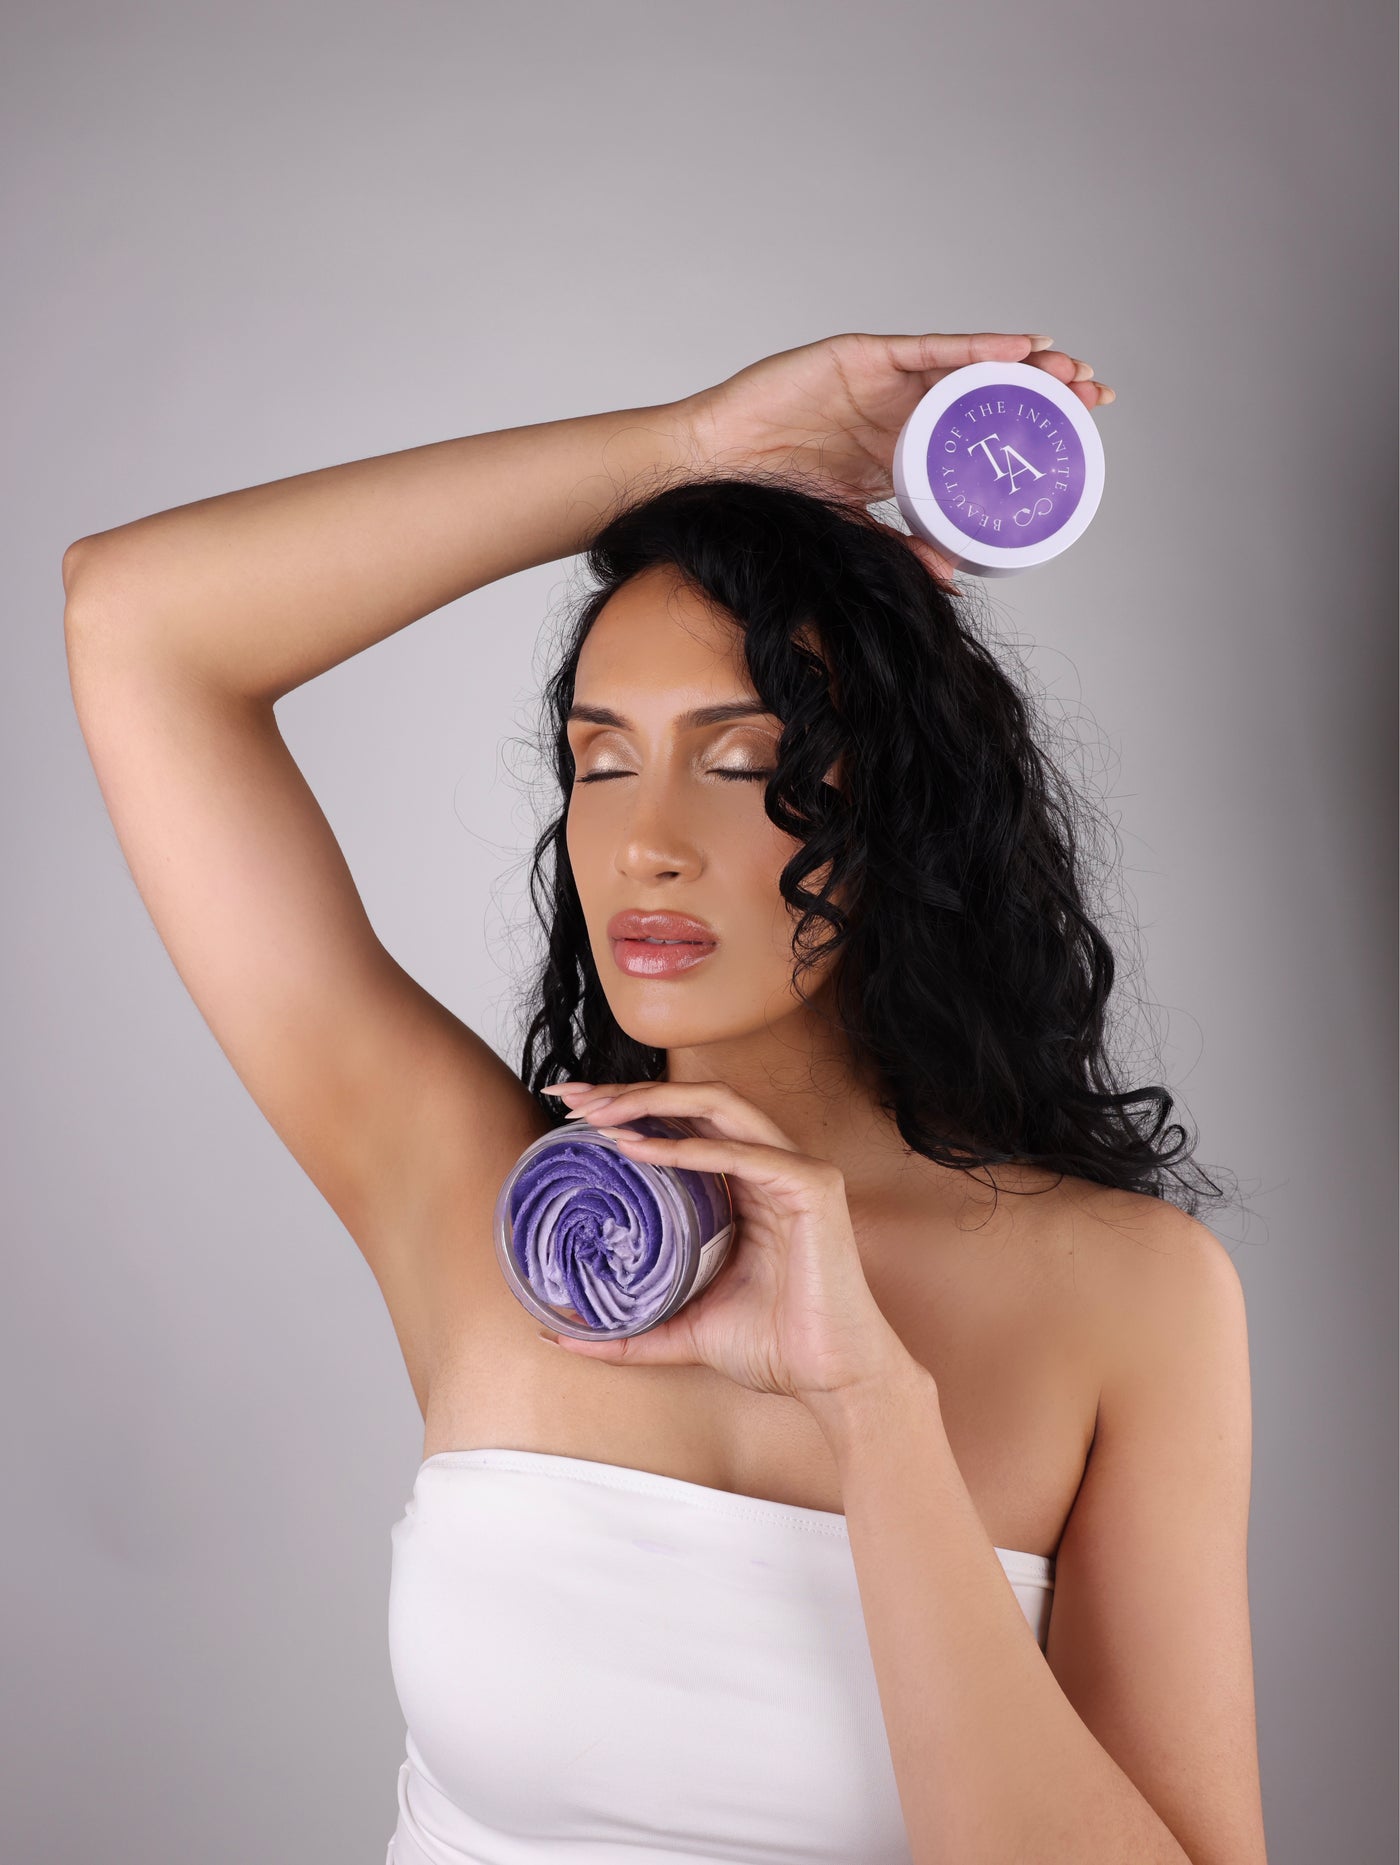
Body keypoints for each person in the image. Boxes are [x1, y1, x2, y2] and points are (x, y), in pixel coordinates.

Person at [61, 330, 1268, 1864]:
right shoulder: (473, 1194)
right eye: (601, 761)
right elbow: (135, 620)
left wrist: (875, 1408)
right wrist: (688, 447)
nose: (647, 842)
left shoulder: (1128, 1295)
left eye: (744, 756)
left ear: (899, 811)